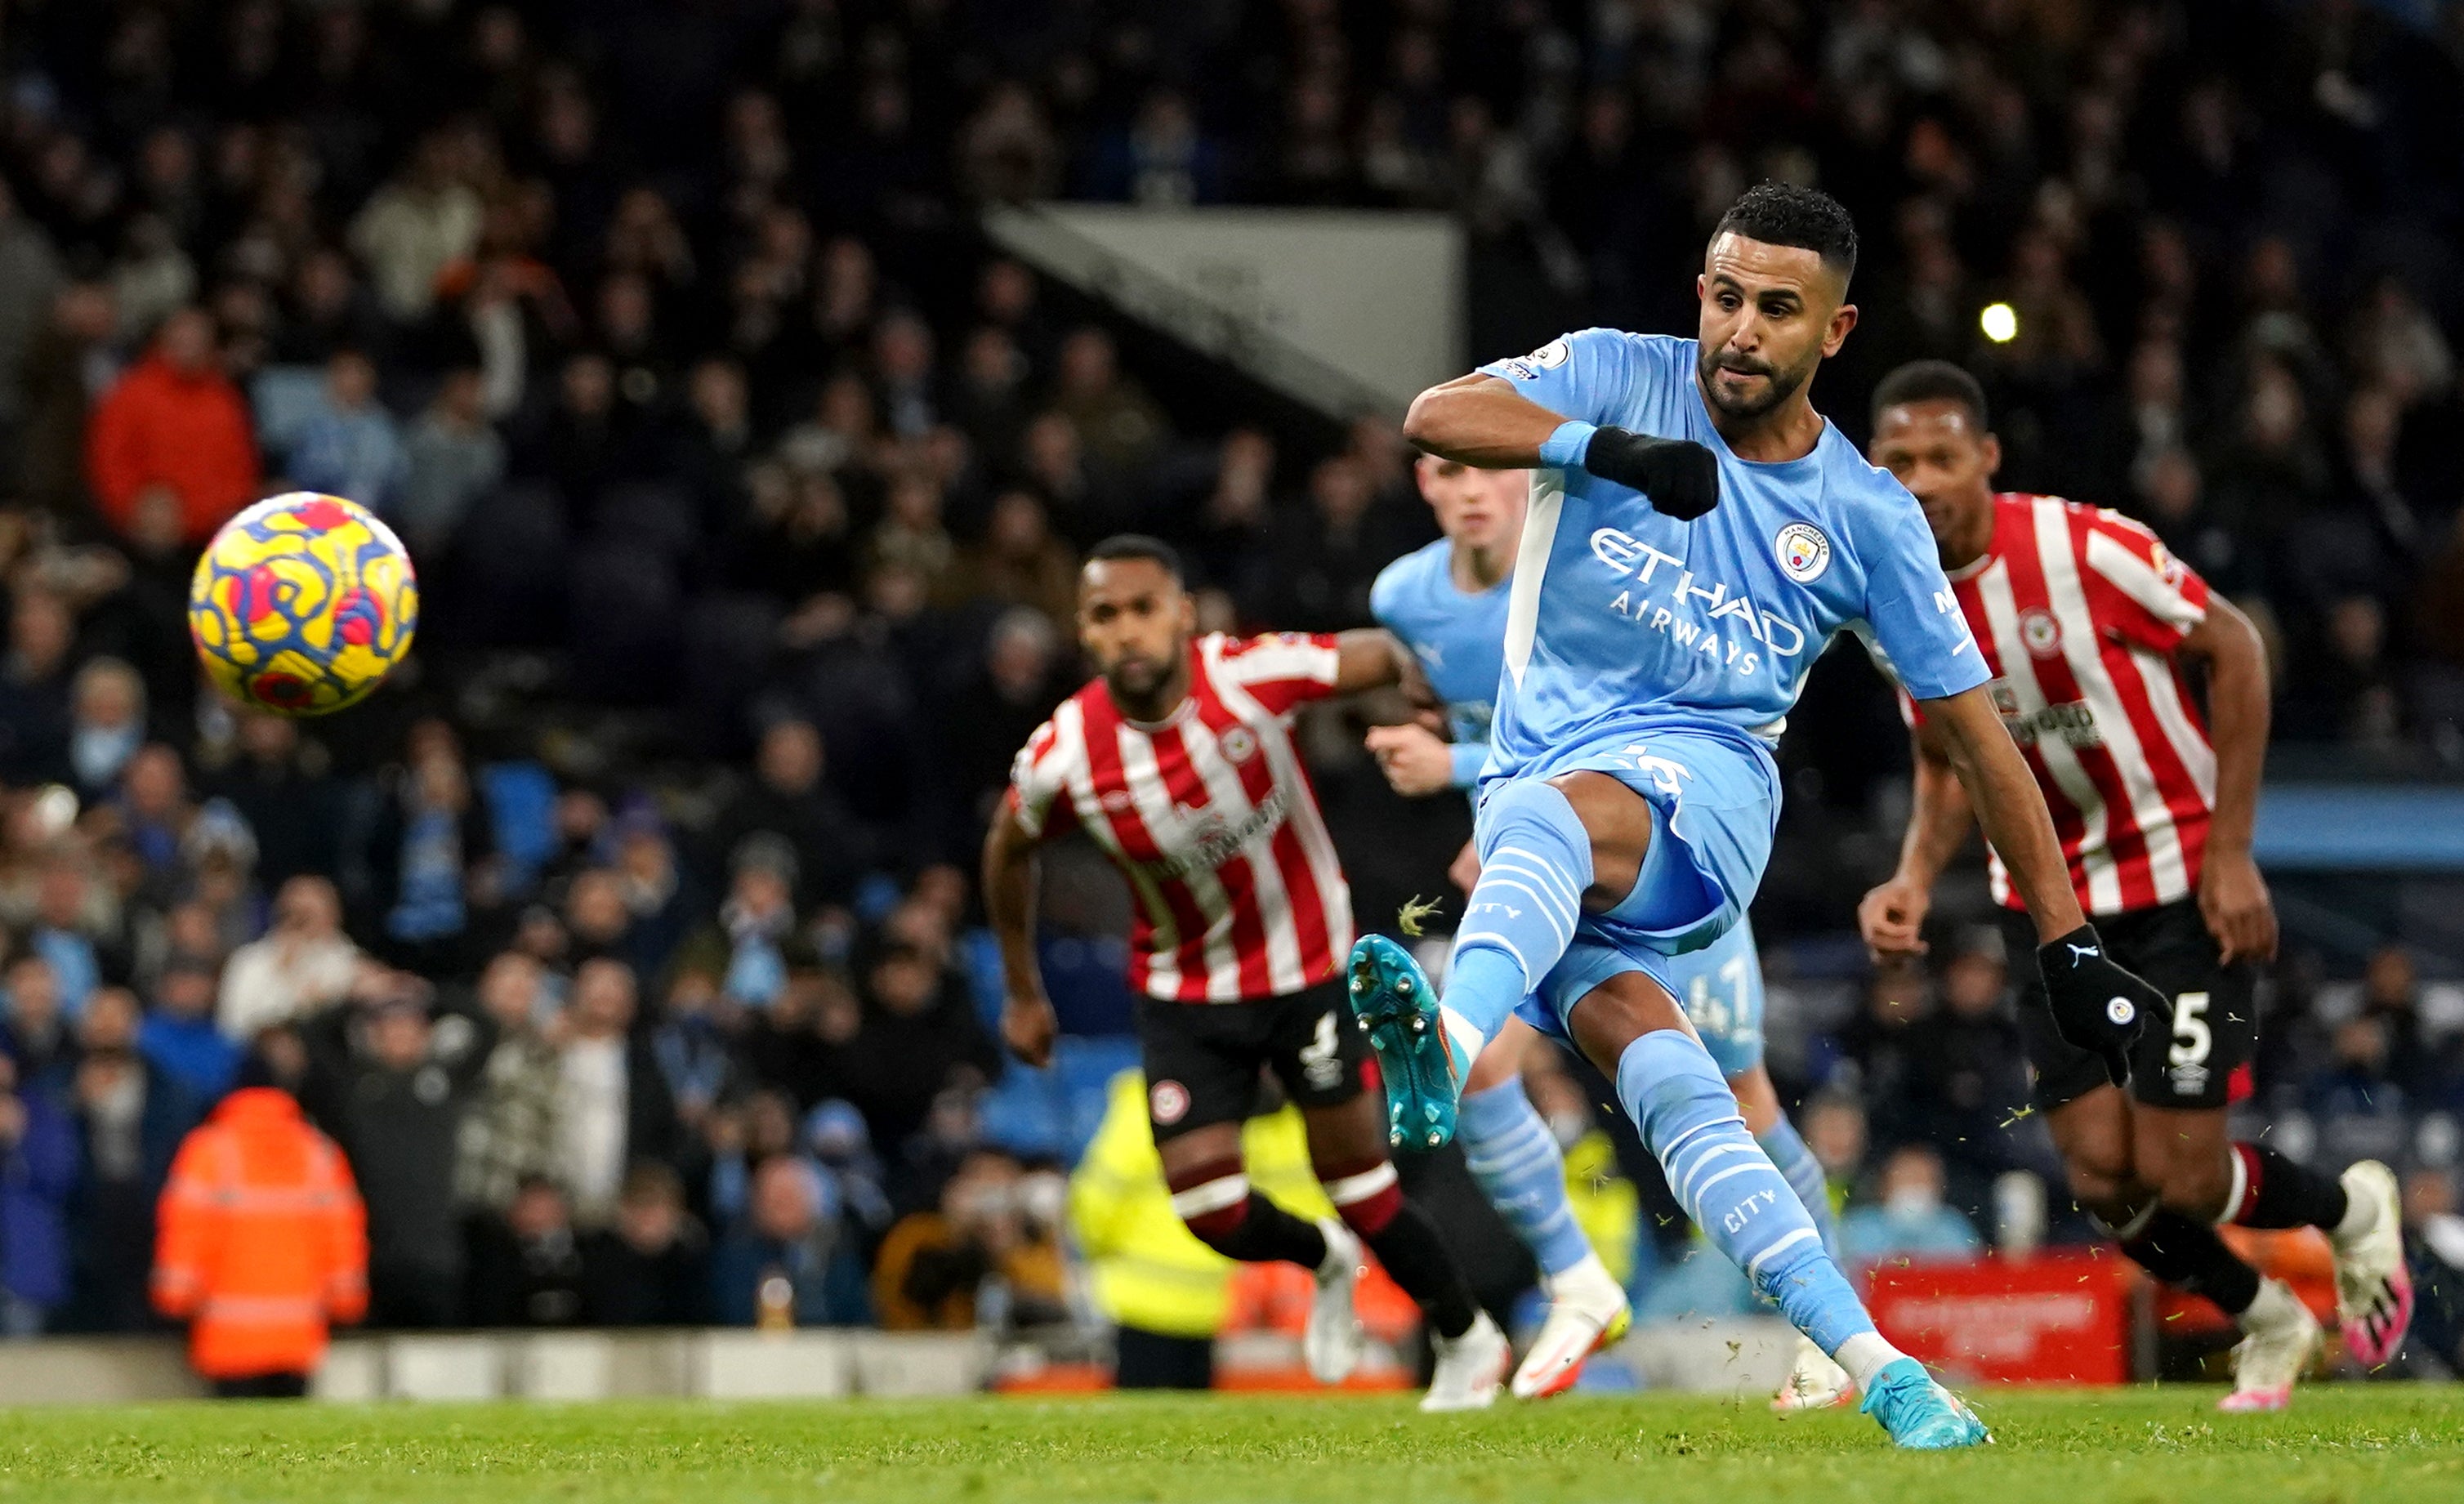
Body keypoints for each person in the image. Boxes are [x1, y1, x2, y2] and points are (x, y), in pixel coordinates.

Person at [1342, 183, 2168, 1448]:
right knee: (1680, 1095)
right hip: (1547, 817)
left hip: (1702, 795)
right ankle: (1886, 1369)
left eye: (1778, 309)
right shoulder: (1619, 376)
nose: (1742, 330)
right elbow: (1435, 414)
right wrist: (1601, 451)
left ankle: (1446, 1052)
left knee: (1548, 823)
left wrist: (2064, 942)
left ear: (1834, 332)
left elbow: (1982, 742)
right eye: (1726, 297)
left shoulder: (1867, 515)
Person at [1856, 359, 2410, 1412]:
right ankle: (2267, 1315)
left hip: (2176, 884)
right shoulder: (1894, 599)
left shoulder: (2083, 545)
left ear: (1985, 457)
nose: (1921, 479)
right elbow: (1942, 755)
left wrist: (2233, 851)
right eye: (1899, 460)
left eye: (1940, 456)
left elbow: (2235, 647)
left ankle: (2352, 1211)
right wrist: (1913, 879)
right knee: (2105, 1181)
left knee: (2188, 1175)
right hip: (2046, 905)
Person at [1366, 450, 1854, 1407]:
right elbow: (1450, 691)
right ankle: (1576, 1277)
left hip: (1647, 844)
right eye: (1442, 470)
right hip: (1539, 859)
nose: (1468, 489)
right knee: (1480, 1058)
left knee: (1744, 1097)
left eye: (1486, 468)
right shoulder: (1404, 597)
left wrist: (1455, 762)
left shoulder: (1604, 561)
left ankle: (1831, 1329)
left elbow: (1650, 714)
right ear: (1419, 481)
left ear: (1529, 476)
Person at [985, 535, 1507, 1411]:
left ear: (1182, 614)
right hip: (1185, 994)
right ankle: (1321, 1259)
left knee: (1361, 1185)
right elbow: (1007, 851)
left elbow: (1375, 650)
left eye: (1143, 607)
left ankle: (1467, 1333)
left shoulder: (1247, 676)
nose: (1127, 631)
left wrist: (1434, 683)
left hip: (1306, 966)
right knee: (1210, 1208)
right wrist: (1023, 989)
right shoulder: (1064, 754)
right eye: (1104, 615)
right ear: (1084, 632)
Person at [150, 1059, 366, 1398]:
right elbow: (342, 1233)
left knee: (232, 1443)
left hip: (227, 1332)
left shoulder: (208, 1151)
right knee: (293, 1443)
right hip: (298, 1331)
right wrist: (346, 1300)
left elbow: (185, 1230)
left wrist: (174, 1299)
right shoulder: (318, 1152)